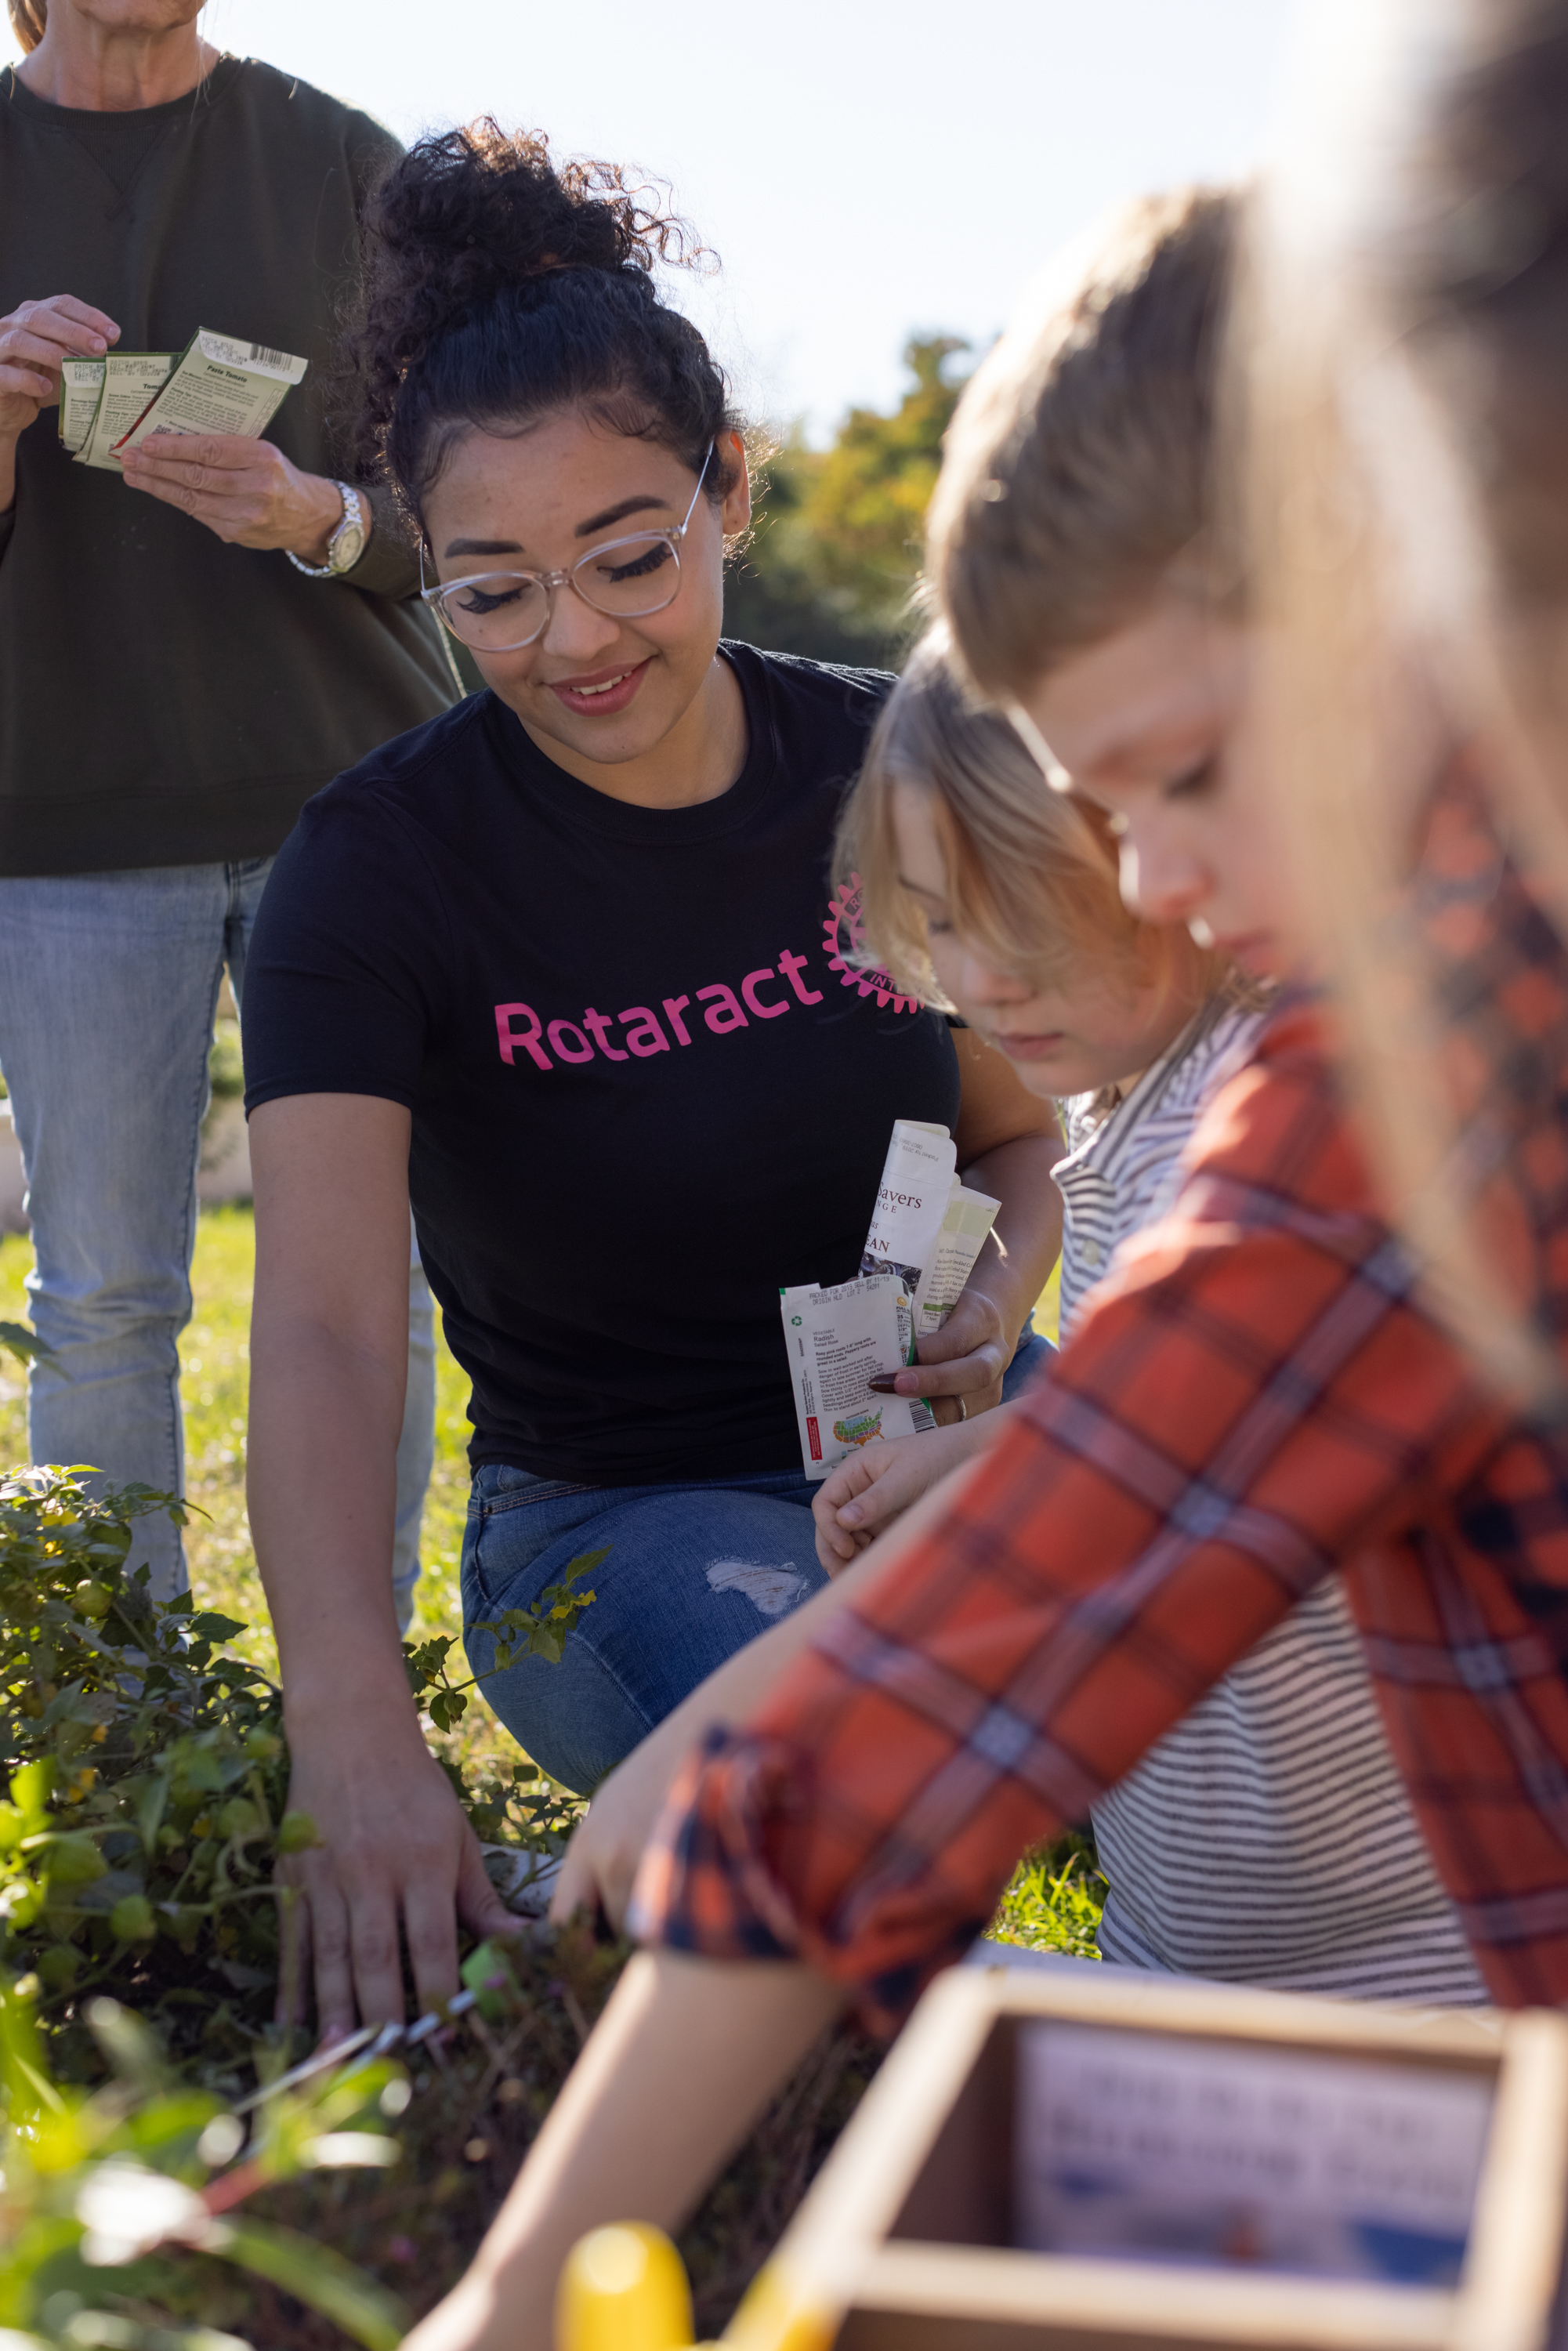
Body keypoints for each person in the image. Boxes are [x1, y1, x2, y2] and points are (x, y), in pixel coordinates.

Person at [394, 181, 1568, 2351]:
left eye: (1191, 773)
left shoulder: (1404, 1088)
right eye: (1109, 811)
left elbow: (959, 1689)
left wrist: (523, 2302)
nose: (1167, 885)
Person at [237, 121, 1063, 2040]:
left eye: (628, 557)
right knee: (850, 1825)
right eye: (492, 591)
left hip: (950, 1448)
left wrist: (1000, 1294)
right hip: (614, 1523)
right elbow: (332, 1334)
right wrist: (350, 1728)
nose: (575, 641)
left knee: (1273, 1695)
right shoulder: (371, 873)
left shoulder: (881, 769)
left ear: (727, 494)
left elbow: (1018, 1144)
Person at [808, 631, 1485, 2005]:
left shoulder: (1257, 1118)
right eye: (937, 919)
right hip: (1197, 1915)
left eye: (1032, 916)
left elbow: (1242, 1436)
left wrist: (996, 1483)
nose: (984, 979)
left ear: (1179, 861)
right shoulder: (1111, 1095)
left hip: (1409, 1952)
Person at [0, 0, 451, 1610]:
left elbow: (470, 494)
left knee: (369, 1285)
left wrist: (311, 511)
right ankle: (123, 1733)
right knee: (103, 1295)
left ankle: (359, 1708)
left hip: (351, 807)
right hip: (60, 822)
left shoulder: (345, 165)